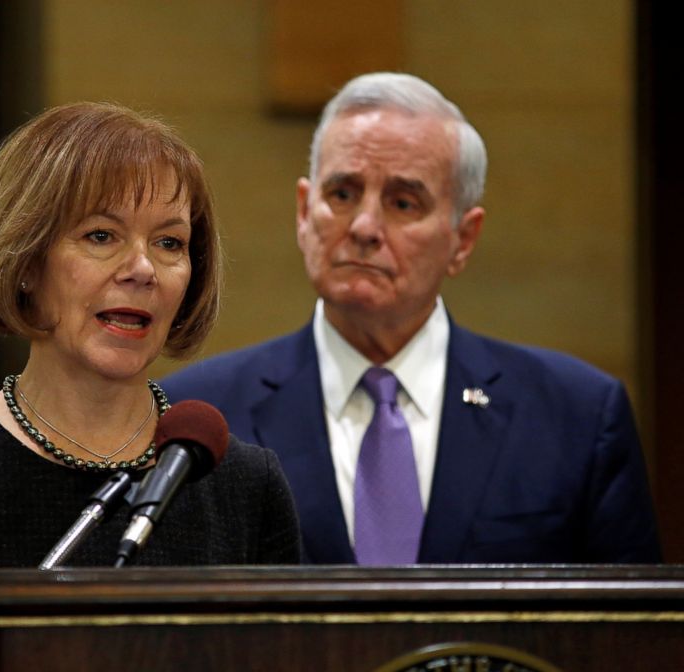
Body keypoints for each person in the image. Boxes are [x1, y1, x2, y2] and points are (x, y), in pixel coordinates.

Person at [0, 102, 301, 670]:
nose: (141, 268)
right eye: (101, 235)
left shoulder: (244, 488)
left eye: (169, 243)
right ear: (25, 260)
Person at [163, 72, 660, 565]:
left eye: (403, 202)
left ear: (463, 239)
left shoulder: (577, 416)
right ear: (303, 211)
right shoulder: (200, 418)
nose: (363, 226)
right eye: (342, 194)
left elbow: (633, 634)